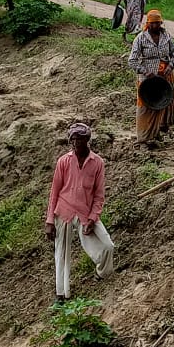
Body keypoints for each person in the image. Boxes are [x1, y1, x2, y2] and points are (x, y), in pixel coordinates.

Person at [44, 123, 115, 300]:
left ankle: (102, 273)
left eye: (79, 139)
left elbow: (99, 195)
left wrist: (92, 218)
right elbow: (54, 192)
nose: (75, 143)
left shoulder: (97, 163)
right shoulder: (64, 161)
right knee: (61, 253)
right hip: (64, 210)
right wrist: (50, 220)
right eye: (73, 140)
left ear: (87, 140)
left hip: (85, 212)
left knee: (107, 245)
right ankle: (61, 294)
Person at [127, 10, 174, 144]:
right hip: (148, 80)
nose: (155, 26)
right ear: (148, 24)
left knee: (161, 104)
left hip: (164, 77)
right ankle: (144, 136)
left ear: (161, 23)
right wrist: (145, 72)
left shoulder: (167, 37)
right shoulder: (140, 38)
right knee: (145, 106)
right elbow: (132, 60)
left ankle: (157, 132)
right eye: (153, 23)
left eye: (158, 23)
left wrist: (170, 66)